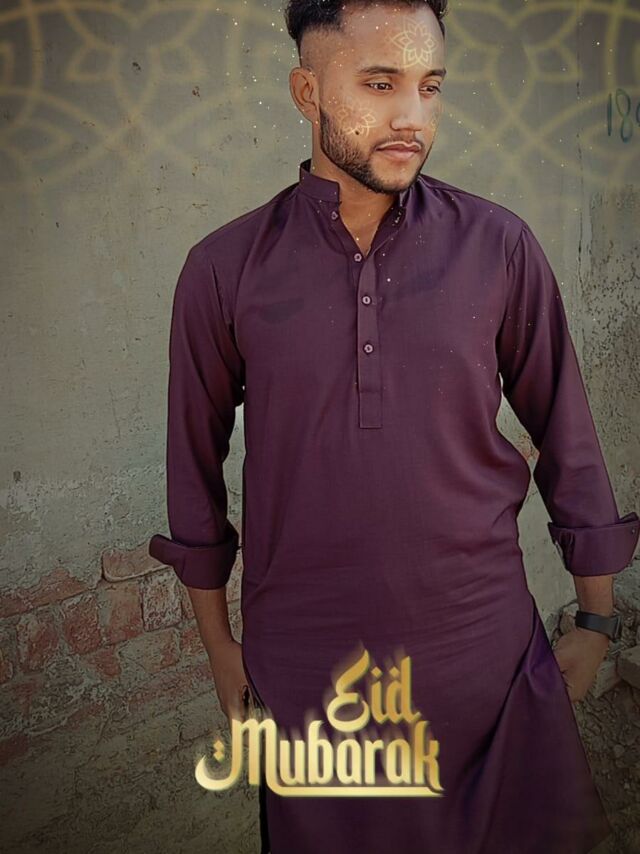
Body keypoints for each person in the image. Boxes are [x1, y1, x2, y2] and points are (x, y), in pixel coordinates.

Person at [149, 1, 639, 851]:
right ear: (308, 92)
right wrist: (219, 646)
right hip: (313, 678)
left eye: (429, 86)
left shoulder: (498, 247)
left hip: (486, 655)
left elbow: (567, 433)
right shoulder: (225, 270)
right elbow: (193, 474)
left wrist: (596, 620)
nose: (412, 116)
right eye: (379, 85)